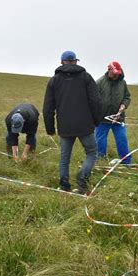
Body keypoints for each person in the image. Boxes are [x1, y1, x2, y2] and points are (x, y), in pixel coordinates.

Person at [43, 51, 102, 194]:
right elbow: (96, 101)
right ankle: (82, 179)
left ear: (62, 61)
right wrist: (96, 121)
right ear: (75, 61)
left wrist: (50, 129)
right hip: (85, 125)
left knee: (65, 158)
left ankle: (64, 185)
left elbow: (47, 108)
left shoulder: (54, 80)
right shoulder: (86, 78)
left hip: (65, 126)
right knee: (92, 153)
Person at [95, 61, 132, 164]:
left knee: (122, 139)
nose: (116, 75)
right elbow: (93, 99)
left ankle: (126, 162)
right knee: (100, 141)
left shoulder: (122, 83)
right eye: (114, 72)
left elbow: (127, 97)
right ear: (109, 70)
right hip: (102, 119)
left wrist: (124, 105)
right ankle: (101, 160)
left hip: (118, 119)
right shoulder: (99, 82)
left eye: (118, 73)